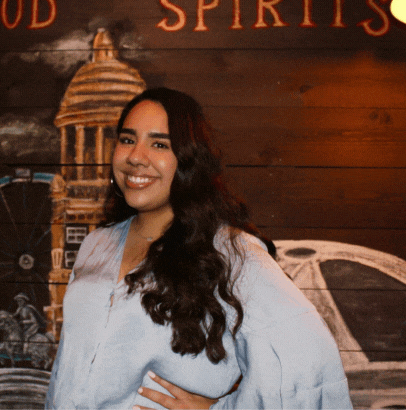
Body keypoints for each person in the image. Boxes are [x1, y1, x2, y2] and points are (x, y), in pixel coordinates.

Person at [45, 88, 352, 409]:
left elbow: (308, 357)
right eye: (127, 139)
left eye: (159, 144)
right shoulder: (97, 244)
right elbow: (67, 367)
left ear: (188, 160)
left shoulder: (230, 252)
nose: (136, 156)